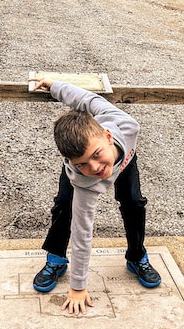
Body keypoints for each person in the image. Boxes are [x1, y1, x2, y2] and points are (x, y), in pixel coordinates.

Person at [32, 78, 161, 315]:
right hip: (82, 177)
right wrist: (78, 287)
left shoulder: (125, 124)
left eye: (96, 155)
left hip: (124, 161)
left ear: (108, 136)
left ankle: (137, 256)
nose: (94, 167)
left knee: (134, 203)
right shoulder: (84, 178)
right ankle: (56, 258)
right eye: (83, 163)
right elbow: (83, 232)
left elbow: (85, 98)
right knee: (64, 205)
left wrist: (56, 85)